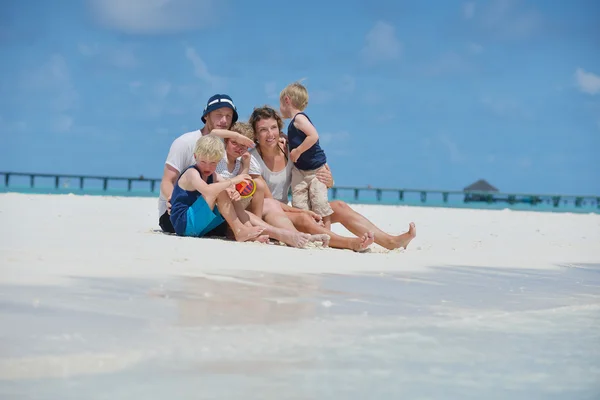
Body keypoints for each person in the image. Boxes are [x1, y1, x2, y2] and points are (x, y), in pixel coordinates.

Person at [248, 106, 417, 251]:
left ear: (279, 128)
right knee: (305, 218)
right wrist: (304, 211)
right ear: (255, 135)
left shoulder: (291, 150)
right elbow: (270, 202)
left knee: (340, 207)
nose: (270, 134)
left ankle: (391, 241)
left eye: (273, 128)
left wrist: (329, 181)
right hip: (269, 214)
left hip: (290, 210)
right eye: (263, 130)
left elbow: (312, 173)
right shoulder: (253, 159)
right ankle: (349, 243)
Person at [216, 122, 330, 248]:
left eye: (243, 145)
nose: (238, 147)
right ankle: (283, 234)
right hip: (220, 207)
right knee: (245, 195)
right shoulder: (219, 155)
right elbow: (211, 134)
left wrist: (246, 165)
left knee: (259, 186)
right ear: (226, 140)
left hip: (237, 205)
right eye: (234, 142)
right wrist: (237, 136)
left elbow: (244, 185)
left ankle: (295, 234)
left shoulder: (244, 159)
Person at [158, 94, 254, 233]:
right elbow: (167, 180)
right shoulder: (186, 142)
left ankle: (268, 232)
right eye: (218, 114)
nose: (223, 120)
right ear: (206, 116)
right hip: (176, 215)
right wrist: (171, 199)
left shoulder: (227, 144)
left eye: (228, 116)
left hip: (207, 208)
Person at [170, 135, 267, 242]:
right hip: (184, 224)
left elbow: (229, 187)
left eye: (213, 163)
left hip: (199, 226)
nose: (207, 167)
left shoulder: (213, 175)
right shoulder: (191, 173)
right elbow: (207, 190)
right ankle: (239, 230)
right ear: (195, 156)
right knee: (219, 190)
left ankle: (248, 230)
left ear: (219, 161)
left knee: (226, 191)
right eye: (203, 162)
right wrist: (233, 180)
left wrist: (234, 192)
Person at [280, 81, 334, 229]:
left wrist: (297, 151)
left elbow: (313, 136)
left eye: (280, 103)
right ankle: (309, 228)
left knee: (319, 201)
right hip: (300, 170)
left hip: (316, 169)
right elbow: (299, 139)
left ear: (287, 100)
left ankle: (327, 230)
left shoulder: (299, 118)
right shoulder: (294, 123)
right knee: (299, 203)